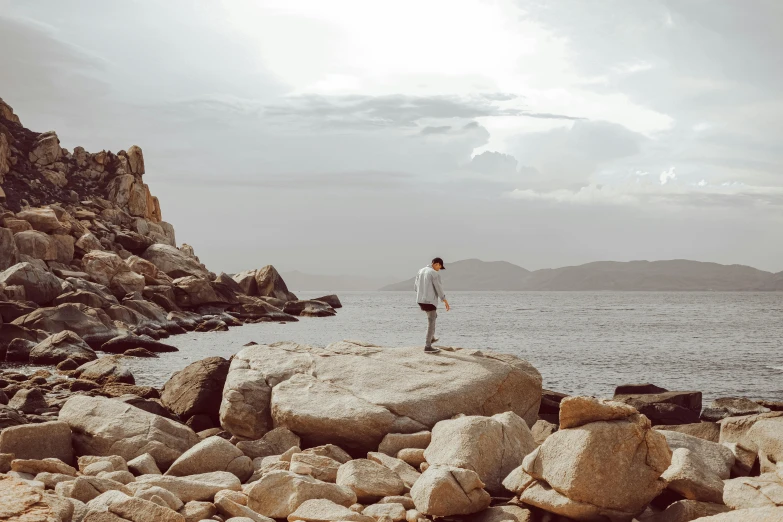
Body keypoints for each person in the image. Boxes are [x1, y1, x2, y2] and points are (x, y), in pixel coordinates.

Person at [415, 257, 450, 353]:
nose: (439, 269)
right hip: (430, 301)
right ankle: (428, 345)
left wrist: (421, 295)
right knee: (431, 321)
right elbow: (439, 288)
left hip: (420, 300)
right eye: (439, 266)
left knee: (434, 316)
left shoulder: (420, 271)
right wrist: (444, 300)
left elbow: (415, 286)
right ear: (436, 264)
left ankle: (432, 337)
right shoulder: (434, 273)